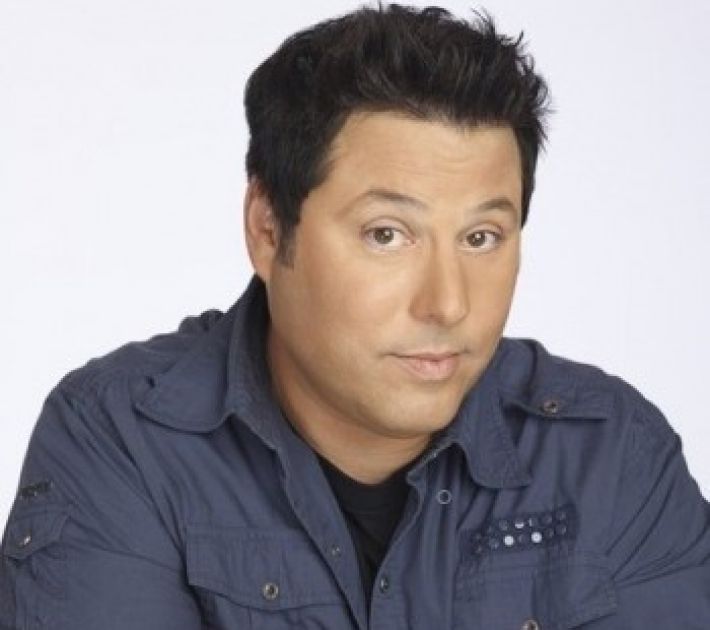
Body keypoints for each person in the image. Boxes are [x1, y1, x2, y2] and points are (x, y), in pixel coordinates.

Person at [1, 3, 708, 628]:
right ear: (268, 229)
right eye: (387, 235)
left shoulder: (612, 457)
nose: (448, 304)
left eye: (481, 238)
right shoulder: (122, 442)